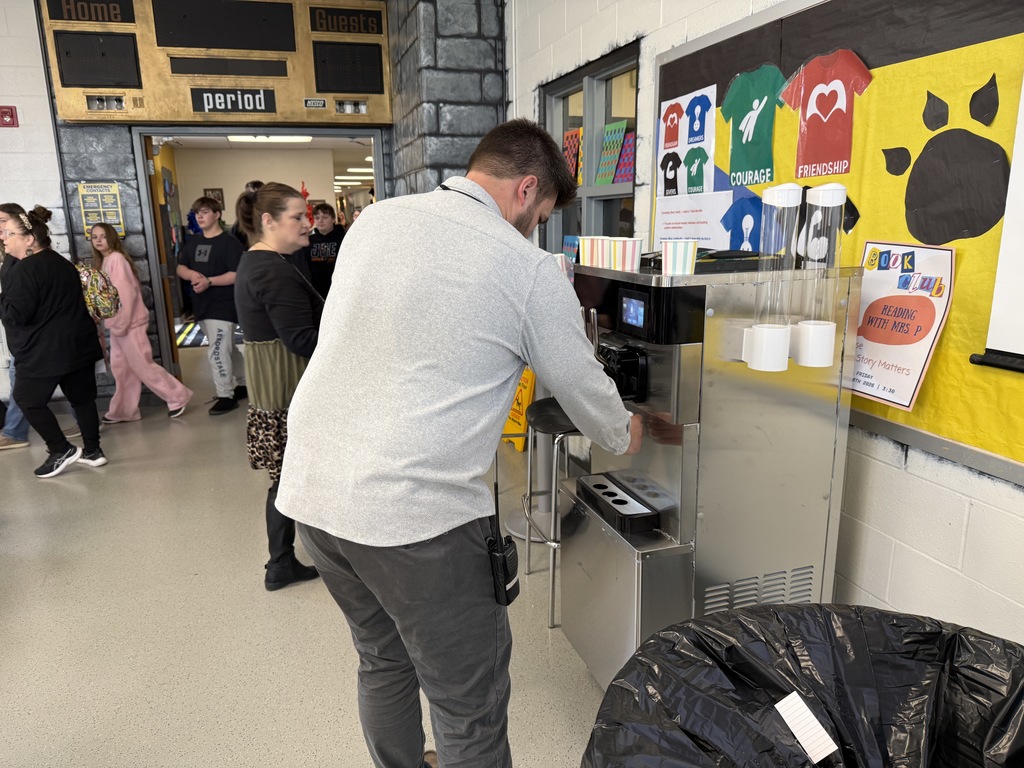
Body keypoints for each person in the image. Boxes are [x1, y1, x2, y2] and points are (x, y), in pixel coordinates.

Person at [276, 119, 643, 767]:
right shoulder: (525, 267)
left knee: (382, 658)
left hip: (311, 492)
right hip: (416, 519)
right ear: (527, 189)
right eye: (543, 214)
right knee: (466, 704)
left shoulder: (377, 222)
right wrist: (629, 428)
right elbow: (589, 397)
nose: (537, 229)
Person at [233, 182, 323, 591]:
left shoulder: (257, 261)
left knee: (286, 478)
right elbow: (301, 339)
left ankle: (281, 562)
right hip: (290, 388)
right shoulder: (272, 269)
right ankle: (282, 562)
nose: (306, 225)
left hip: (275, 386)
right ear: (268, 221)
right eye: (297, 217)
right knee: (291, 479)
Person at [0, 206, 106, 477]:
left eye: (9, 233)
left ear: (29, 239)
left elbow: (16, 316)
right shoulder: (62, 263)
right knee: (82, 400)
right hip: (77, 345)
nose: (4, 238)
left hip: (46, 352)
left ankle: (61, 449)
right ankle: (93, 452)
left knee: (27, 399)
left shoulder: (26, 271)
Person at [90, 223, 193, 423]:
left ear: (111, 237)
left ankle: (177, 397)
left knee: (143, 365)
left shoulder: (116, 260)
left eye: (103, 236)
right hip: (119, 325)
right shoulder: (106, 261)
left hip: (129, 324)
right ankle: (124, 410)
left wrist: (120, 322)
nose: (99, 240)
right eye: (94, 237)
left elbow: (126, 294)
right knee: (122, 369)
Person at [176, 196, 246, 415]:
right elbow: (180, 267)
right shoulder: (194, 241)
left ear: (217, 215)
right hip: (202, 306)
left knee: (216, 350)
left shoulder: (229, 242)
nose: (200, 216)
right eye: (197, 212)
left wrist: (209, 281)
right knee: (226, 347)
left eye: (205, 212)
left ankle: (226, 395)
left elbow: (236, 274)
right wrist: (192, 274)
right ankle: (244, 384)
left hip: (223, 306)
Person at [0, 203, 31, 450]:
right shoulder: (9, 256)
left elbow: (20, 301)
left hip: (28, 335)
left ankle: (15, 432)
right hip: (20, 335)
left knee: (20, 382)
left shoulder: (25, 259)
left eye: (3, 222)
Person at [306, 203, 344, 298]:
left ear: (333, 219)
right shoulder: (309, 241)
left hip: (338, 288)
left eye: (325, 217)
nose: (320, 221)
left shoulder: (343, 238)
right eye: (317, 218)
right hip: (316, 289)